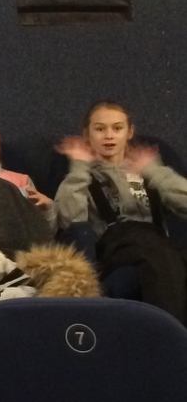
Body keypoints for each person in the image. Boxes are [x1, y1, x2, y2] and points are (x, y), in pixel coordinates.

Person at [55, 100, 187, 322]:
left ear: (129, 132)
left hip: (157, 243)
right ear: (87, 134)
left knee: (165, 256)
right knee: (156, 256)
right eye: (100, 129)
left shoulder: (148, 170)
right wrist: (79, 169)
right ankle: (173, 336)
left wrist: (155, 173)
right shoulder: (84, 173)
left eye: (117, 128)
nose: (109, 136)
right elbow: (69, 219)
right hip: (115, 248)